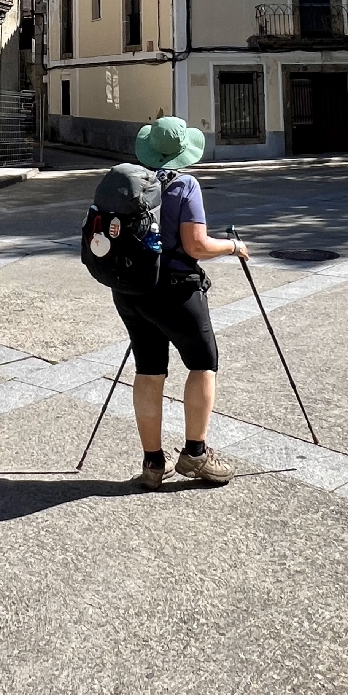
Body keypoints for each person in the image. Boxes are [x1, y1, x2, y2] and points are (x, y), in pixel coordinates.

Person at [112, 116, 249, 490]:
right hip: (175, 291)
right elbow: (196, 246)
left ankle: (153, 464)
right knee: (203, 363)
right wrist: (234, 246)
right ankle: (195, 455)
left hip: (131, 290)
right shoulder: (185, 184)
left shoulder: (128, 184)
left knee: (149, 369)